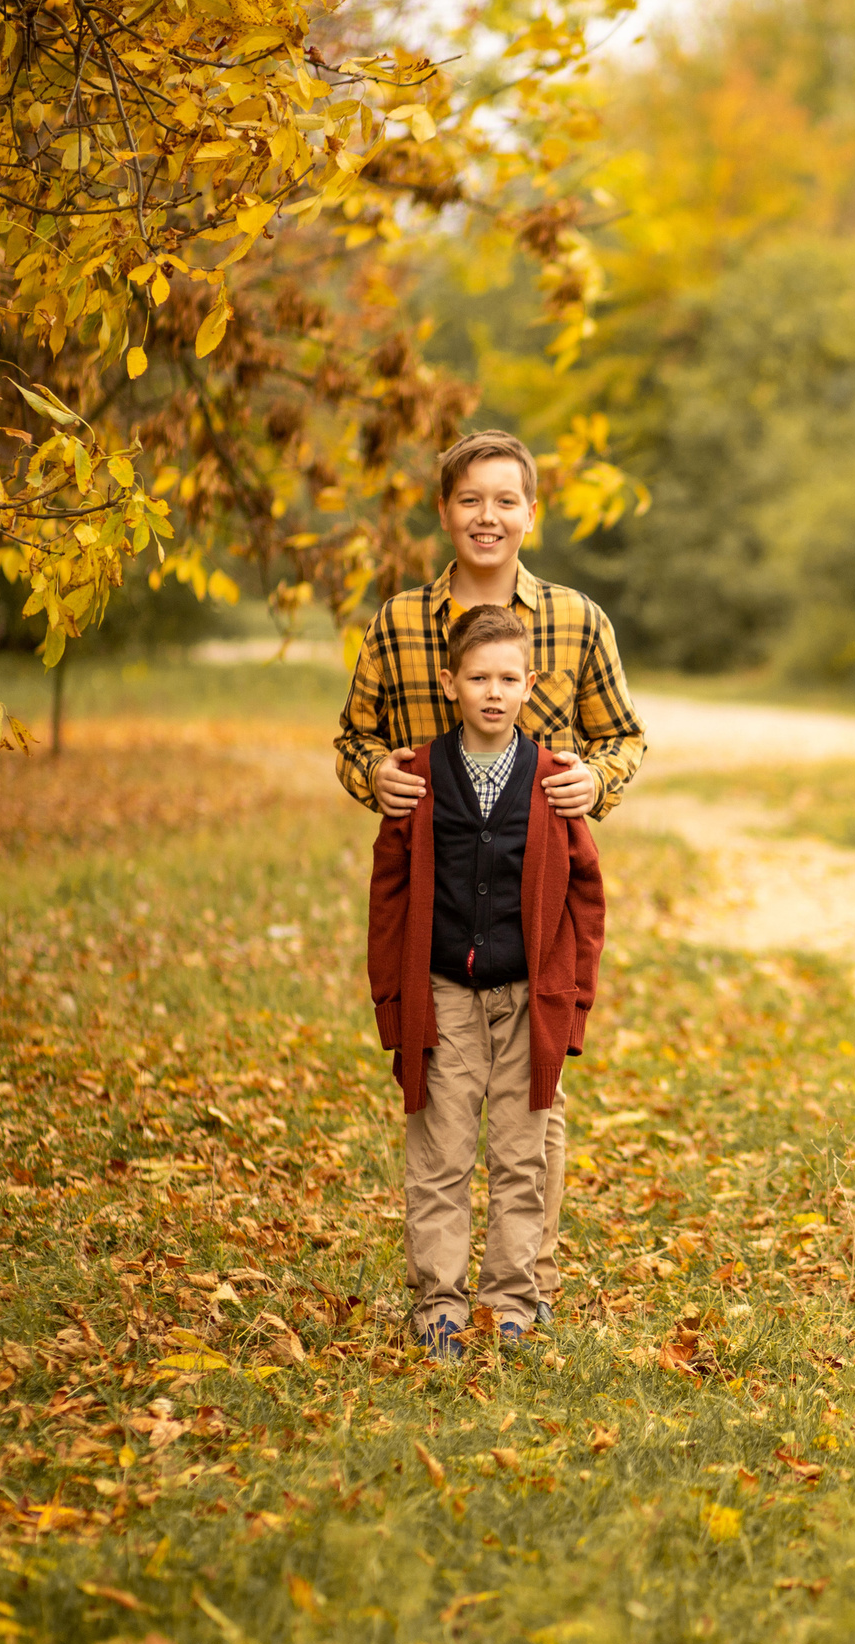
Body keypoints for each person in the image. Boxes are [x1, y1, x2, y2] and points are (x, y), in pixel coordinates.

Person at [336, 428, 645, 1323]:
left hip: (531, 912)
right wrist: (375, 778)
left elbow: (624, 735)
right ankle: (440, 1294)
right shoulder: (397, 623)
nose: (488, 517)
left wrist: (601, 779)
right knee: (440, 1109)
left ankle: (526, 1286)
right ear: (444, 511)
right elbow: (353, 737)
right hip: (436, 915)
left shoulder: (579, 620)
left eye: (506, 500)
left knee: (531, 1110)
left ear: (531, 513)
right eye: (471, 499)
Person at [365, 603, 606, 1358]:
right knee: (439, 1150)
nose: (494, 692)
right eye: (478, 678)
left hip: (529, 997)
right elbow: (390, 893)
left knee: (520, 1152)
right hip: (442, 994)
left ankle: (511, 1298)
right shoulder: (419, 777)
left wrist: (573, 1002)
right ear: (450, 683)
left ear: (529, 684)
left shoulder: (553, 780)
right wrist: (392, 1000)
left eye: (508, 678)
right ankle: (438, 1302)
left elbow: (585, 897)